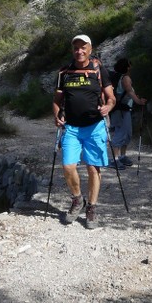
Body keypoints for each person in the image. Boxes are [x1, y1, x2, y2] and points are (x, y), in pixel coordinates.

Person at [52, 34, 116, 229]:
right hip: (71, 127)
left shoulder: (99, 70)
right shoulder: (64, 72)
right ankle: (77, 199)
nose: (79, 51)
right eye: (76, 48)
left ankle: (92, 207)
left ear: (90, 48)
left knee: (93, 167)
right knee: (68, 166)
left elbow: (111, 97)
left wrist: (108, 107)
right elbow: (56, 101)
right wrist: (56, 116)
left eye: (83, 47)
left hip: (95, 127)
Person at [109, 57, 147, 169]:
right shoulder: (125, 78)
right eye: (130, 64)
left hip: (123, 109)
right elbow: (130, 92)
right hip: (121, 110)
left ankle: (122, 156)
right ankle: (115, 159)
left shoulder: (120, 77)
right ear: (127, 66)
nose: (132, 66)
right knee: (121, 133)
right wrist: (139, 101)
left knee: (128, 133)